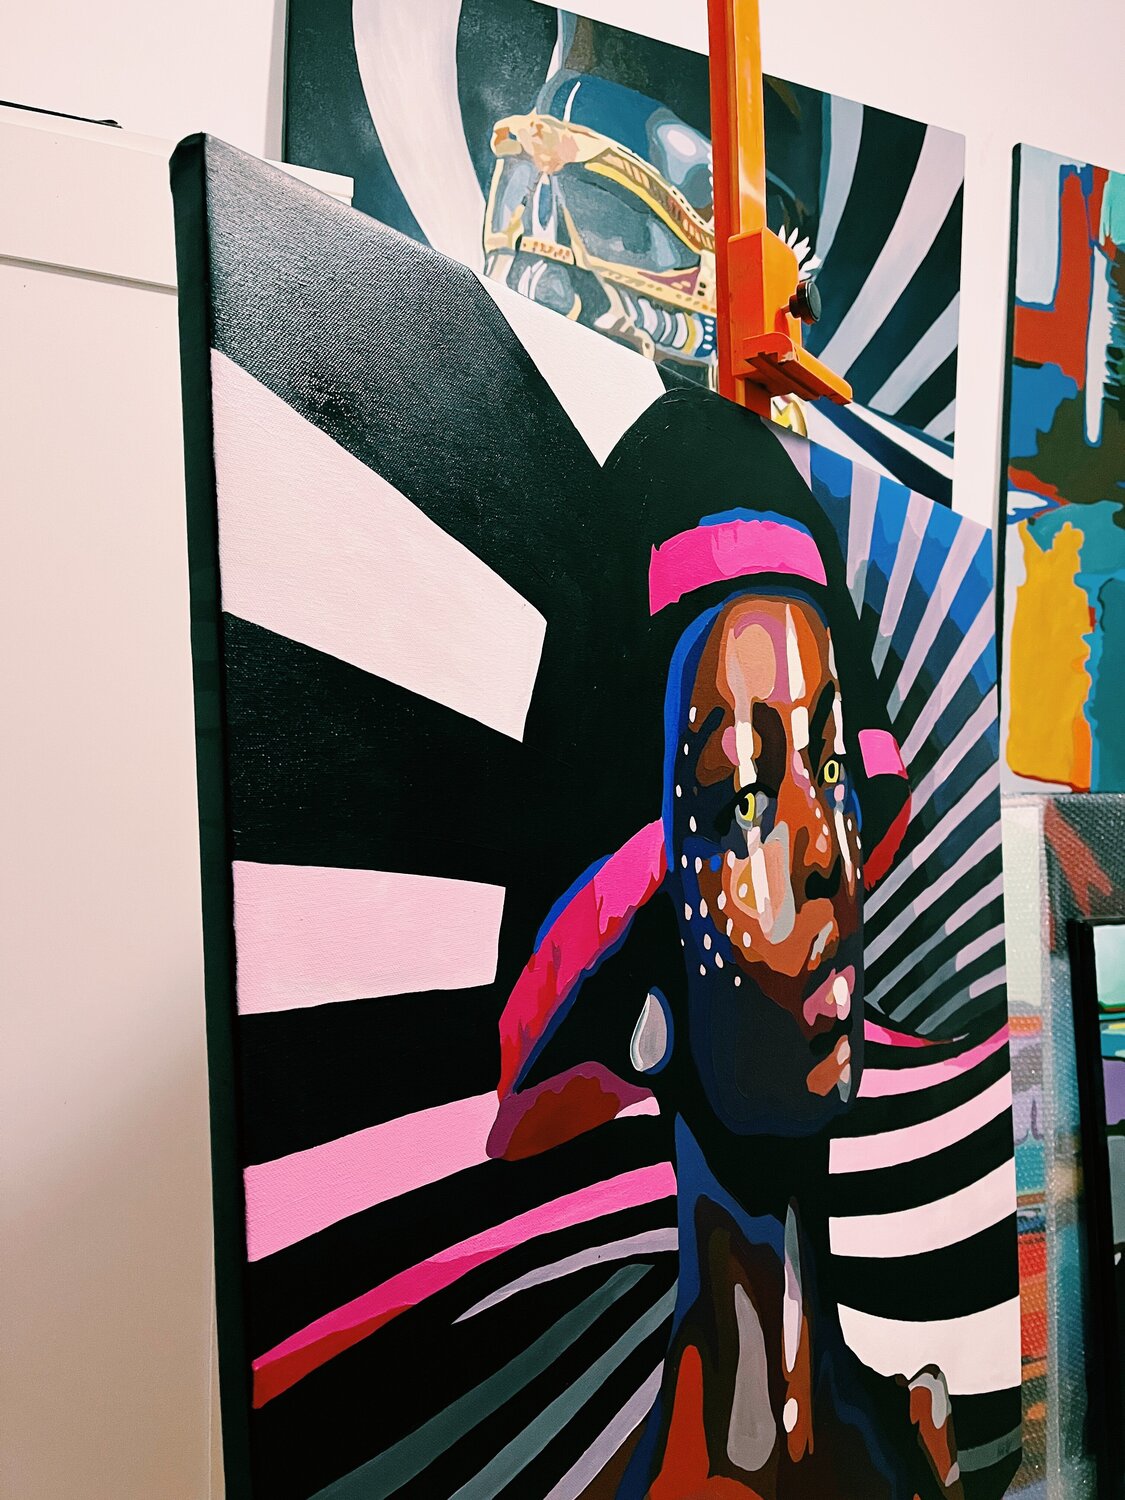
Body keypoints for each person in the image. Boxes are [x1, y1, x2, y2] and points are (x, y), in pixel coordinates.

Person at [486, 476, 963, 1496]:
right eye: (742, 797)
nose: (825, 852)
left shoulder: (927, 1444)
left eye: (828, 769)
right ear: (641, 993)